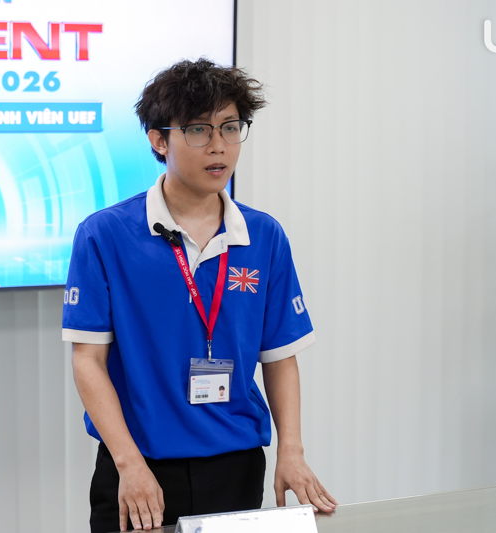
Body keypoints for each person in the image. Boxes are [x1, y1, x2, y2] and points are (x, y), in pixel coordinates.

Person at [62, 58, 337, 533]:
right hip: (140, 466)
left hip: (235, 463)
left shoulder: (263, 235)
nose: (219, 146)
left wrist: (291, 452)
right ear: (158, 140)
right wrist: (128, 464)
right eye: (198, 130)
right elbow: (88, 360)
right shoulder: (105, 235)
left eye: (230, 127)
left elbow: (279, 357)